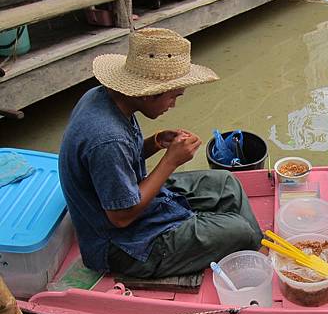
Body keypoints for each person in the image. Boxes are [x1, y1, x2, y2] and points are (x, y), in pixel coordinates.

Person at [59, 27, 263, 278]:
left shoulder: (103, 97)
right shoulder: (107, 138)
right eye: (173, 96)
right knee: (240, 231)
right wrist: (170, 161)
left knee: (226, 183)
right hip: (122, 245)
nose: (174, 104)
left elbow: (116, 164)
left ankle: (248, 244)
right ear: (148, 94)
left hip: (134, 197)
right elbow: (121, 217)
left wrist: (154, 143)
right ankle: (246, 244)